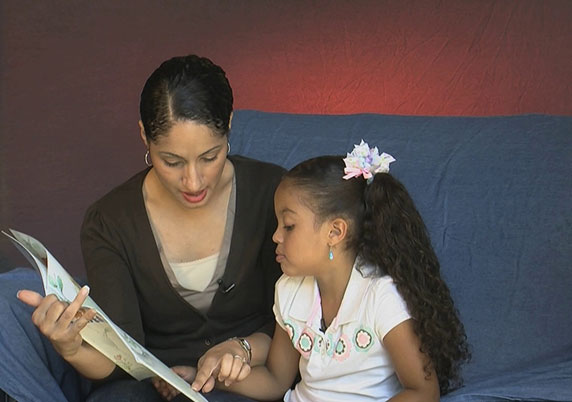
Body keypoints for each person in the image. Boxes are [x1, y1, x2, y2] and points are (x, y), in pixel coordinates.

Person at [11, 54, 285, 401]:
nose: (193, 181)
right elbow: (119, 357)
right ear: (144, 136)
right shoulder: (109, 221)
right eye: (172, 162)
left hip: (250, 378)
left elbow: (298, 318)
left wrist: (241, 349)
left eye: (210, 156)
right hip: (156, 388)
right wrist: (70, 346)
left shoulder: (275, 194)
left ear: (229, 125)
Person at [178, 141, 470, 401]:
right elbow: (276, 380)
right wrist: (206, 377)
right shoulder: (290, 291)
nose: (276, 236)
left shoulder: (380, 297)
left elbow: (423, 391)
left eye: (289, 226)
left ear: (335, 231)